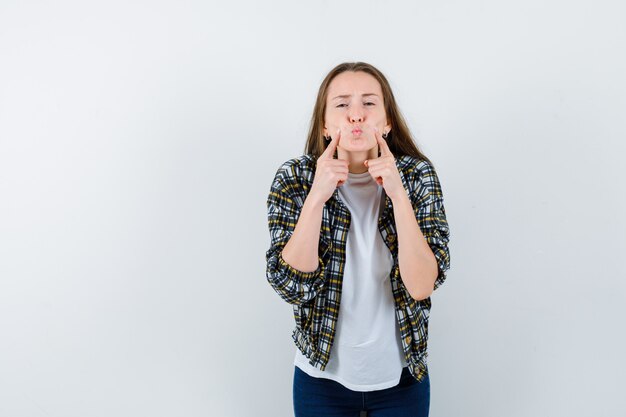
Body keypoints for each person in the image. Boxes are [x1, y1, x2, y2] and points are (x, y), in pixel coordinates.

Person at [265, 62, 451, 417]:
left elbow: (422, 285)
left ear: (387, 121)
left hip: (402, 377)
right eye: (341, 105)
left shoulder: (417, 176)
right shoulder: (295, 178)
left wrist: (397, 195)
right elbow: (292, 286)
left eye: (368, 104)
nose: (355, 116)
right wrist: (317, 197)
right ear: (324, 124)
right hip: (320, 377)